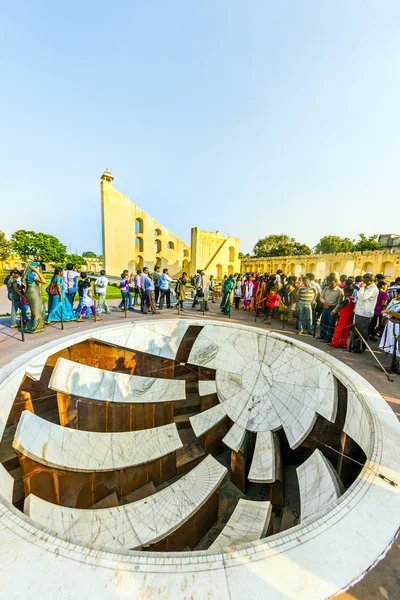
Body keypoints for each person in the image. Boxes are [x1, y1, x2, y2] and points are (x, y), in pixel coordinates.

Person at [351, 273, 379, 353]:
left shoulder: (373, 289)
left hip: (364, 313)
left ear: (370, 281)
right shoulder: (367, 287)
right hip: (359, 311)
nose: (362, 281)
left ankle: (360, 347)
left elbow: (362, 297)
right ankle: (355, 346)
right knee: (356, 330)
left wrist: (362, 288)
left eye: (364, 280)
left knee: (361, 331)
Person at [22, 261, 46, 333]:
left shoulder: (29, 274)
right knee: (37, 310)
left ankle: (35, 326)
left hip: (32, 292)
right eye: (35, 267)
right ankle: (36, 327)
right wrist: (37, 271)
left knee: (36, 309)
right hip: (33, 293)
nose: (37, 267)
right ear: (31, 267)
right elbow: (44, 281)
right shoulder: (31, 275)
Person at [319, 277, 342, 342]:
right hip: (325, 307)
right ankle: (322, 336)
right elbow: (321, 297)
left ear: (336, 282)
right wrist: (324, 302)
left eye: (332, 283)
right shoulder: (326, 288)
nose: (330, 285)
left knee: (331, 324)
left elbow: (339, 303)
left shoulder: (339, 291)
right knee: (323, 322)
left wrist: (334, 311)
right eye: (329, 283)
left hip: (333, 308)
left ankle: (328, 338)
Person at [379, 289, 400, 358]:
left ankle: (395, 365)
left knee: (396, 346)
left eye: (397, 294)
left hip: (397, 327)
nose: (395, 295)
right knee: (391, 344)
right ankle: (393, 364)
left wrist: (389, 311)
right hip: (391, 324)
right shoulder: (395, 301)